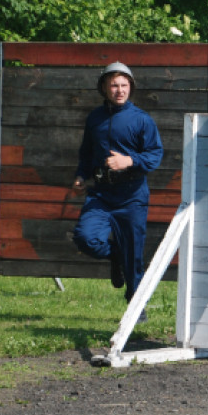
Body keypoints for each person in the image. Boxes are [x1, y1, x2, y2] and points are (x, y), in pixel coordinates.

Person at [71, 62, 164, 321]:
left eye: (124, 85)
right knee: (85, 238)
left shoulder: (142, 120)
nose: (119, 90)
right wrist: (81, 175)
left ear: (131, 87)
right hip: (101, 195)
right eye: (114, 85)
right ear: (104, 87)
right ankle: (116, 257)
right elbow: (87, 153)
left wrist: (129, 161)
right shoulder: (95, 118)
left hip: (132, 197)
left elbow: (155, 155)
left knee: (134, 254)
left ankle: (136, 305)